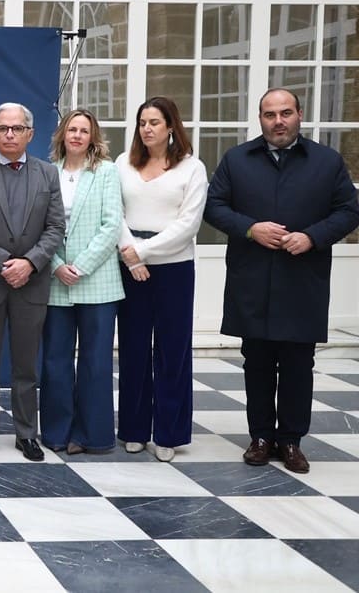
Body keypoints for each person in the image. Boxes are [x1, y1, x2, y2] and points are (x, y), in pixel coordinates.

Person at [204, 88, 359, 474]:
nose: (278, 121)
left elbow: (349, 210)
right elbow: (214, 206)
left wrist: (313, 236)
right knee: (256, 362)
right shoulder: (237, 159)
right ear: (260, 118)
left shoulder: (326, 161)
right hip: (252, 278)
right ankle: (260, 438)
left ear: (299, 115)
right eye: (270, 114)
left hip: (302, 280)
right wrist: (251, 228)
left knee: (297, 364)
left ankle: (291, 441)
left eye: (285, 113)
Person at [0, 102, 65, 462]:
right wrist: (6, 263)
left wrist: (30, 263)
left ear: (30, 134)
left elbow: (55, 228)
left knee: (26, 365)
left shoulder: (48, 174)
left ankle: (26, 433)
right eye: (3, 128)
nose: (9, 134)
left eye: (17, 128)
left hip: (31, 283)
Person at [116, 96, 207, 462]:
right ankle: (134, 429)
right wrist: (130, 253)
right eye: (142, 122)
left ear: (171, 126)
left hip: (174, 267)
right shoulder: (123, 163)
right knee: (134, 347)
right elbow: (114, 212)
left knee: (172, 350)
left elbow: (189, 223)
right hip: (129, 265)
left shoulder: (192, 168)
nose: (147, 128)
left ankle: (169, 432)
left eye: (154, 122)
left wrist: (144, 251)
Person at [39, 109, 124, 455]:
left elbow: (112, 224)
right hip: (55, 280)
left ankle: (93, 435)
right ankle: (57, 433)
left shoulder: (106, 172)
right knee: (56, 360)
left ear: (92, 137)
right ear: (62, 134)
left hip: (98, 281)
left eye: (84, 130)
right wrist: (57, 265)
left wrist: (81, 266)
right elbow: (37, 225)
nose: (76, 135)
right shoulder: (48, 172)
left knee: (95, 362)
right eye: (72, 129)